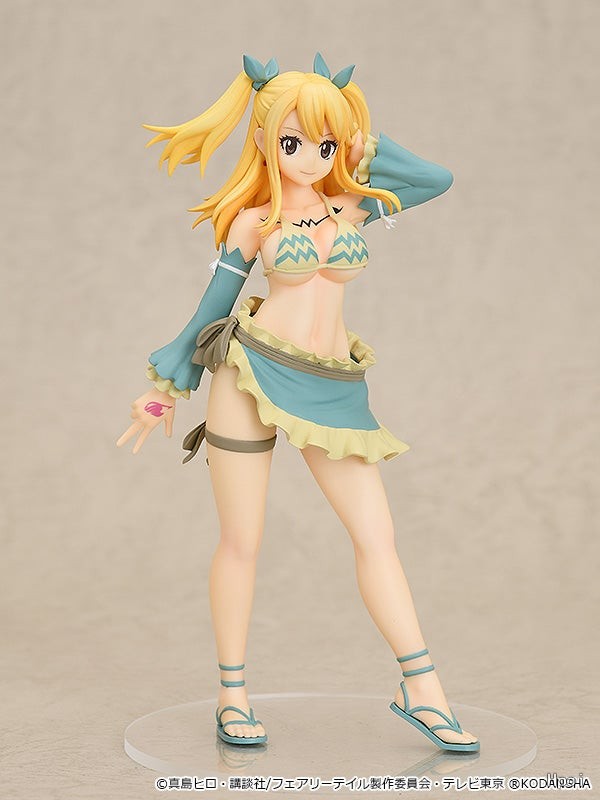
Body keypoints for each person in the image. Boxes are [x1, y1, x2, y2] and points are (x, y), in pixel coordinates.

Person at [117, 53, 480, 753]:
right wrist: (163, 389)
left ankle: (422, 686)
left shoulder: (354, 205)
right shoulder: (253, 223)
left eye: (325, 144)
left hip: (332, 386)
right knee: (242, 542)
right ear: (263, 139)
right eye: (293, 141)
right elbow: (210, 311)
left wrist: (366, 147)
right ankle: (232, 696)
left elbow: (435, 180)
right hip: (250, 376)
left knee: (377, 536)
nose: (311, 158)